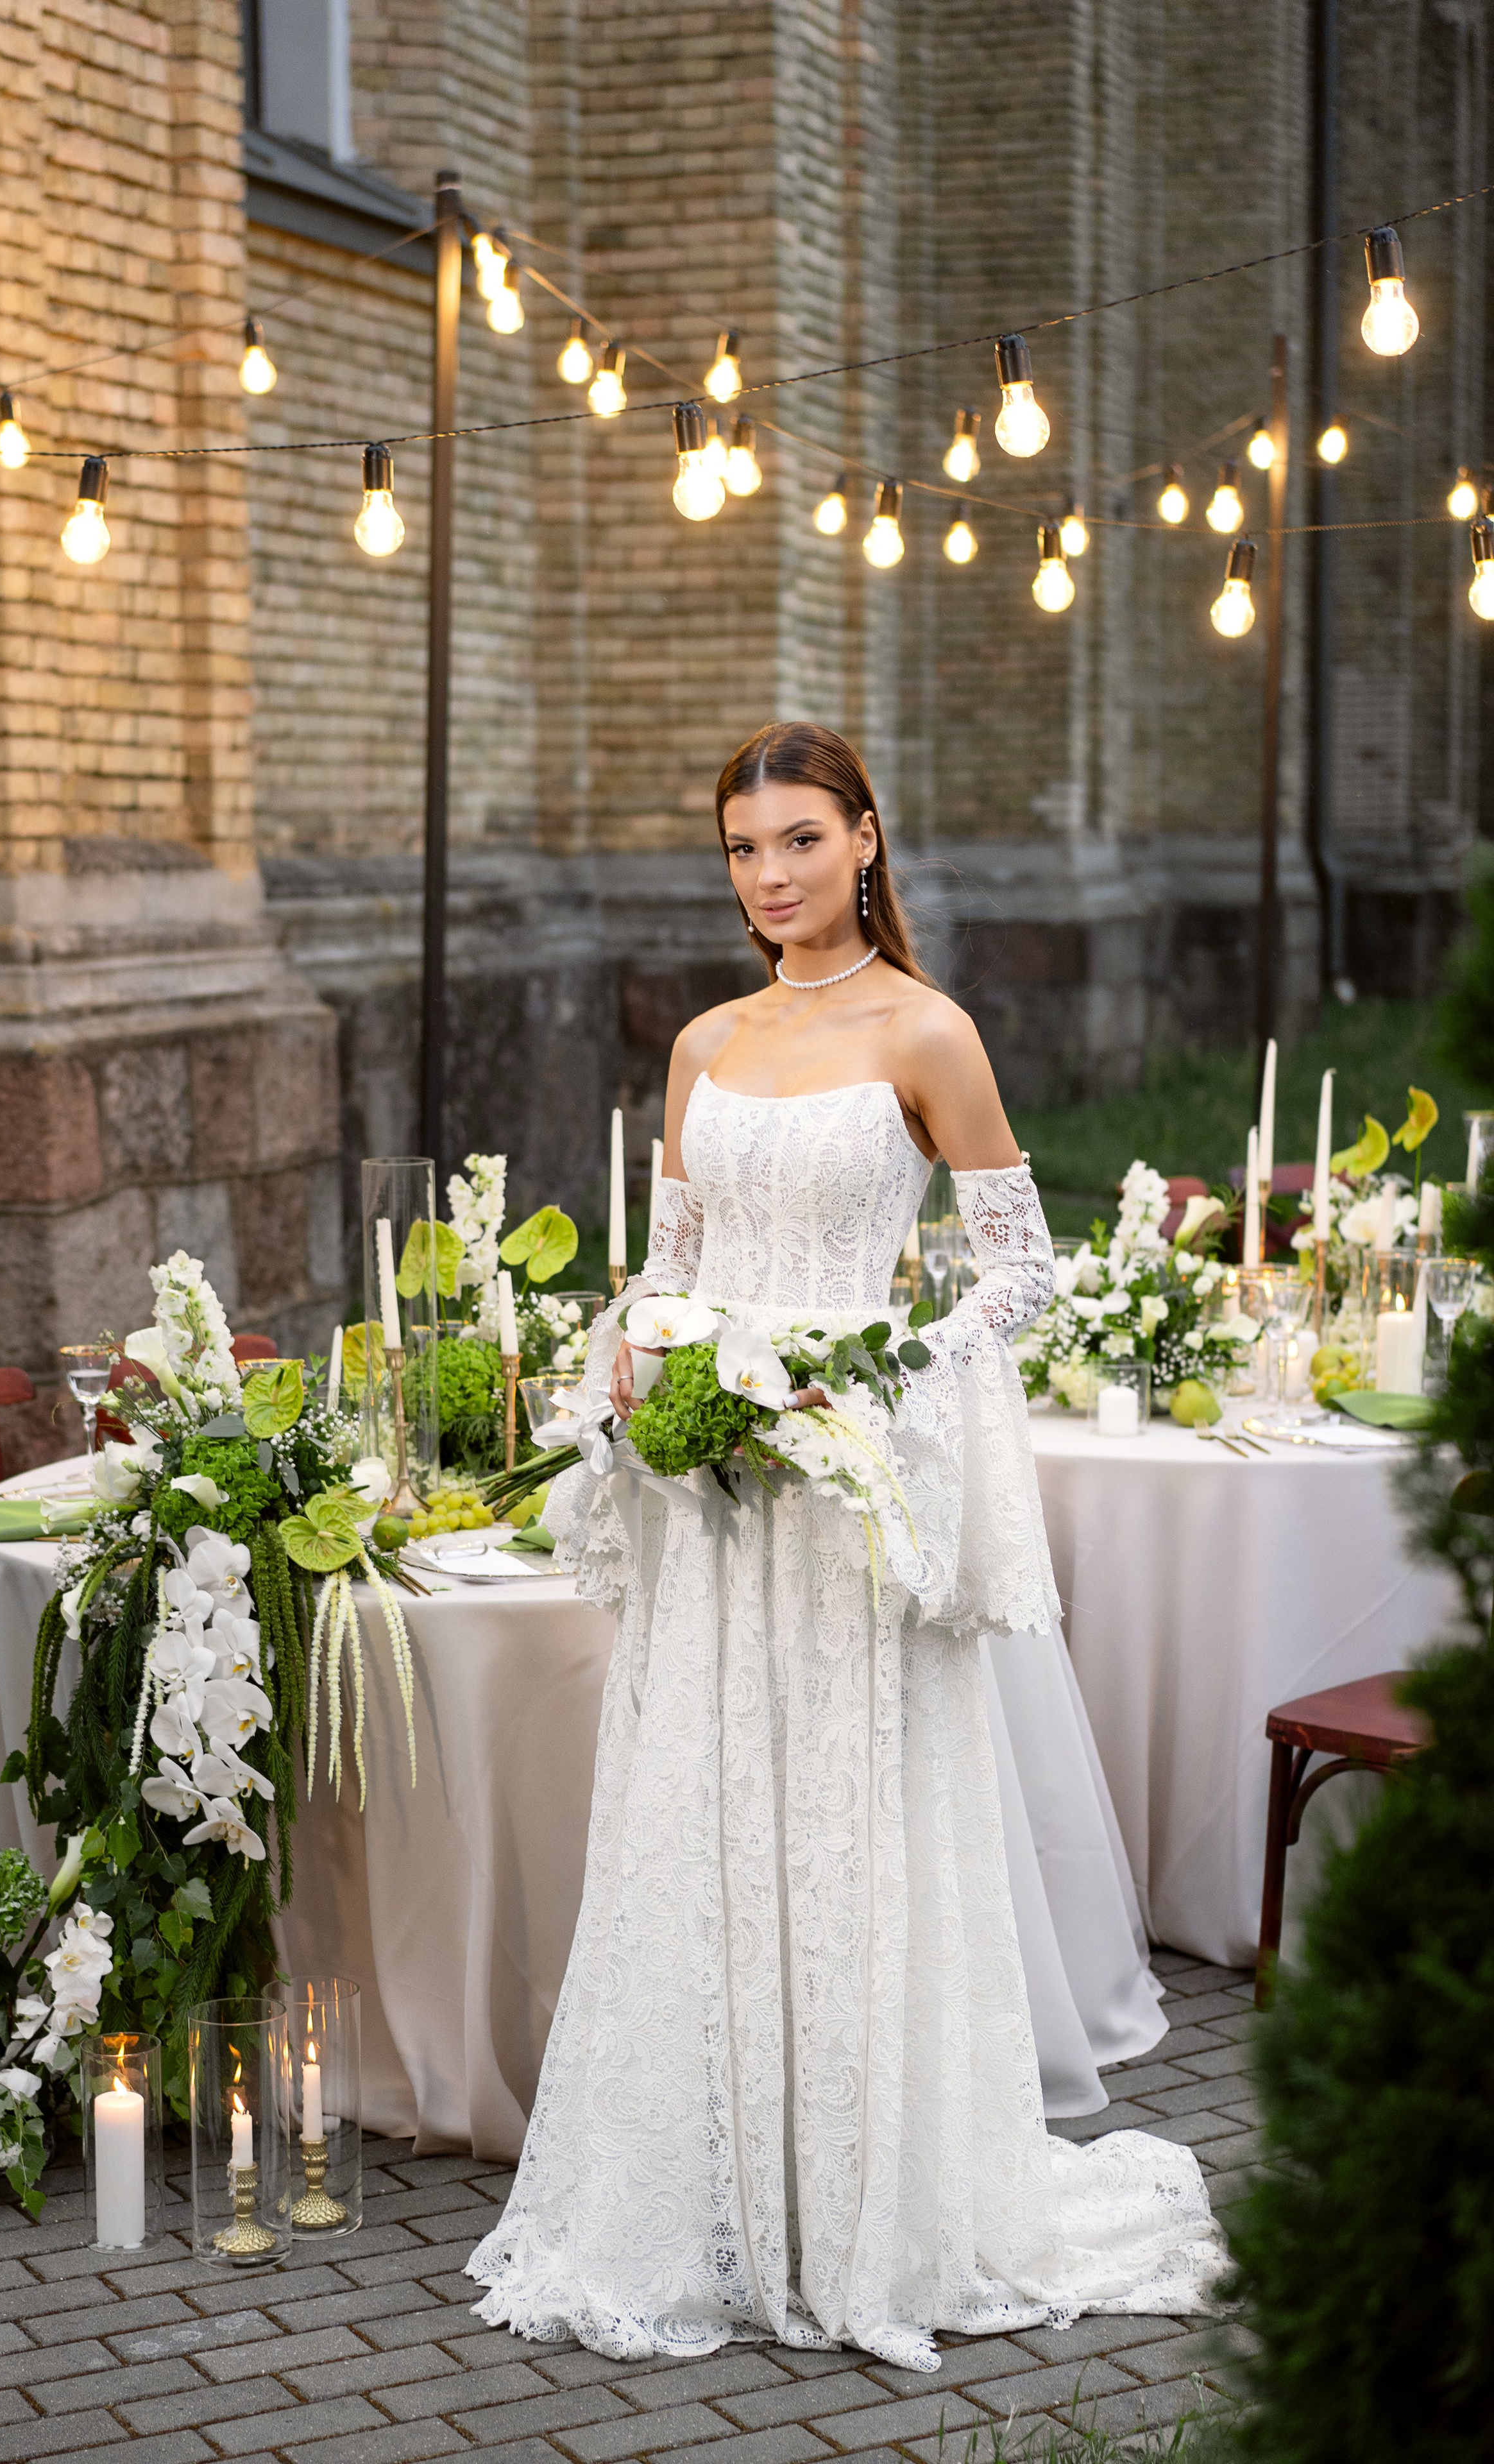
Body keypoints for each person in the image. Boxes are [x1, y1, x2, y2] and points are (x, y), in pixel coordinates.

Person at [468, 721, 1223, 2371]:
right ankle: (703, 2186)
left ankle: (871, 2194)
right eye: (743, 850)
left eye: (800, 840)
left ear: (865, 841)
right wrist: (641, 1355)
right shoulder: (703, 1043)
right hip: (711, 1504)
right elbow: (667, 1267)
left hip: (845, 1491)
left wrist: (879, 1372)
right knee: (702, 1810)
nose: (771, 876)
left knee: (845, 1820)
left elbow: (1020, 1271)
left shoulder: (926, 1032)